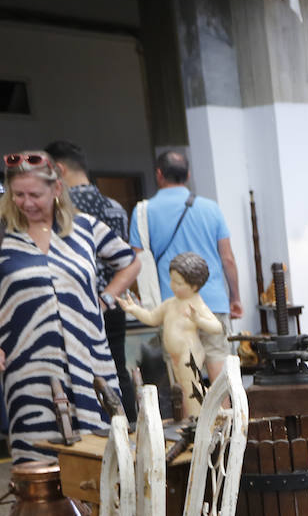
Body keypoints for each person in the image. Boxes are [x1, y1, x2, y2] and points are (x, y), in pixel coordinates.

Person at [0, 151, 139, 461]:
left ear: (56, 190)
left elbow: (130, 263)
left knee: (99, 456)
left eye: (35, 194)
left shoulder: (86, 228)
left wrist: (106, 298)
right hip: (29, 366)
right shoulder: (4, 233)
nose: (27, 202)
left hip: (90, 361)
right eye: (18, 194)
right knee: (39, 462)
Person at [128, 150, 240, 382]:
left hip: (172, 305)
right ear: (188, 175)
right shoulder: (211, 208)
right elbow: (227, 258)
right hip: (213, 302)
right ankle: (227, 418)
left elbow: (139, 261)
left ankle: (192, 419)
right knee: (219, 366)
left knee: (185, 375)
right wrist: (235, 298)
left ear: (159, 174)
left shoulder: (144, 212)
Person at [45, 139, 136, 416]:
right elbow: (128, 258)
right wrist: (109, 297)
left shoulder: (65, 212)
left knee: (81, 375)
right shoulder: (114, 206)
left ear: (58, 169)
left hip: (79, 309)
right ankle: (130, 430)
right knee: (118, 372)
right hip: (114, 304)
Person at [116, 252, 221, 418]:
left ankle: (198, 419)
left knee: (192, 387)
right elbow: (152, 318)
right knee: (183, 388)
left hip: (189, 354)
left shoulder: (195, 304)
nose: (173, 285)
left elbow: (216, 327)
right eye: (172, 280)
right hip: (175, 356)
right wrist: (134, 310)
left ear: (194, 286)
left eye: (179, 283)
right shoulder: (170, 304)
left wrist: (198, 320)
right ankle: (198, 417)